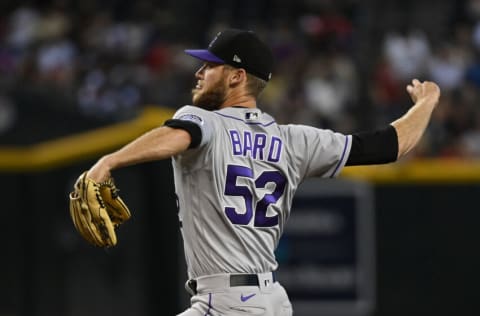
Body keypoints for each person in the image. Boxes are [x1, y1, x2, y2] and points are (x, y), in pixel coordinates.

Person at [86, 29, 440, 315]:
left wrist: (109, 162)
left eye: (210, 66)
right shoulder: (294, 140)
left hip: (226, 303)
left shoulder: (205, 121)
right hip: (269, 299)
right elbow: (388, 145)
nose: (198, 73)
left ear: (237, 76)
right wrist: (426, 104)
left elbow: (180, 134)